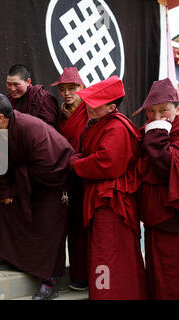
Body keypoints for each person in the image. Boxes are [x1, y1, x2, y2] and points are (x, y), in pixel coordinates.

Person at [0, 93, 74, 300]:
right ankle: (6, 256)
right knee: (8, 210)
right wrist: (5, 192)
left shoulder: (31, 128)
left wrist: (19, 179)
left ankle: (50, 281)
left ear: (0, 118)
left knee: (48, 228)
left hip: (54, 181)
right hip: (29, 179)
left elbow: (49, 166)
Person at [70, 76, 147, 300]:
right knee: (105, 251)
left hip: (110, 200)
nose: (89, 106)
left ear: (112, 107)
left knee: (107, 252)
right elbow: (87, 152)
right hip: (101, 197)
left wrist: (76, 164)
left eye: (95, 103)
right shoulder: (101, 124)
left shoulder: (116, 128)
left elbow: (107, 163)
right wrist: (80, 158)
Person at [134, 78, 179, 300]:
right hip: (153, 217)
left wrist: (157, 131)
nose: (158, 117)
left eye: (164, 110)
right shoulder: (148, 132)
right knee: (156, 272)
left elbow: (165, 165)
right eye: (151, 112)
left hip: (172, 218)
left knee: (171, 276)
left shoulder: (164, 132)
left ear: (177, 109)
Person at [51, 67, 89, 291]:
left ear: (81, 88)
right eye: (63, 89)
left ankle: (82, 275)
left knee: (80, 228)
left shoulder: (88, 110)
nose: (66, 93)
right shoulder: (59, 113)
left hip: (82, 174)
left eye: (71, 88)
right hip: (63, 176)